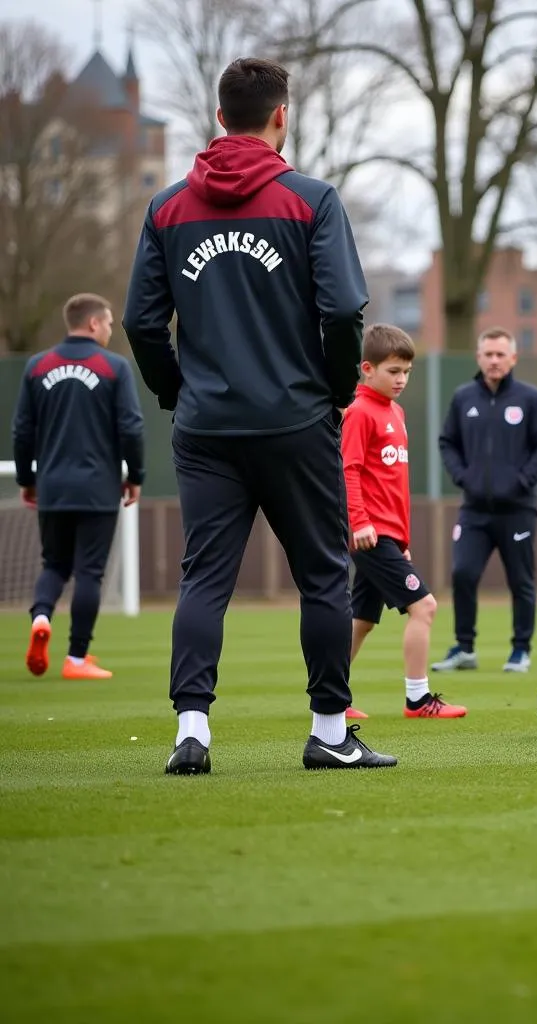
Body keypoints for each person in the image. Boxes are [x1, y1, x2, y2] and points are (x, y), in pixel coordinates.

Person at [123, 57, 396, 774]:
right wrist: (337, 388)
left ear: (220, 119)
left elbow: (140, 323)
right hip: (295, 422)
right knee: (321, 574)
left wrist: (175, 391)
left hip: (206, 428)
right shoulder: (312, 200)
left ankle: (192, 731)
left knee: (204, 579)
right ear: (282, 115)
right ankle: (331, 734)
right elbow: (341, 309)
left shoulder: (167, 207)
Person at [12, 293, 145, 681]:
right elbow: (132, 428)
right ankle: (76, 659)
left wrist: (27, 479)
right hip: (98, 487)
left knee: (54, 564)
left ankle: (41, 618)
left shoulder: (38, 366)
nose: (108, 329)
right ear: (92, 324)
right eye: (106, 323)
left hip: (52, 486)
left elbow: (22, 430)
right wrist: (134, 476)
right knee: (90, 572)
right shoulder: (114, 367)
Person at [342, 324, 466, 719]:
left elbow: (392, 483)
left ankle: (331, 696)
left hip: (387, 536)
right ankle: (418, 699)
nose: (401, 379)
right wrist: (360, 522)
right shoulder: (360, 412)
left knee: (361, 620)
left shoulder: (395, 411)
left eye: (407, 372)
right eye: (393, 371)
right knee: (424, 606)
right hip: (369, 534)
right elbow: (350, 470)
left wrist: (401, 538)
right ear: (367, 368)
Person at [433, 327, 537, 674]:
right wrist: (463, 477)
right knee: (462, 573)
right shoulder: (463, 398)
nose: (494, 360)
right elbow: (447, 442)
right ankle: (464, 648)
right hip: (474, 509)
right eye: (488, 354)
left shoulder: (529, 398)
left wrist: (520, 481)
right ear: (479, 357)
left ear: (513, 358)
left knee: (520, 580)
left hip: (518, 509)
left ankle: (520, 650)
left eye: (500, 354)